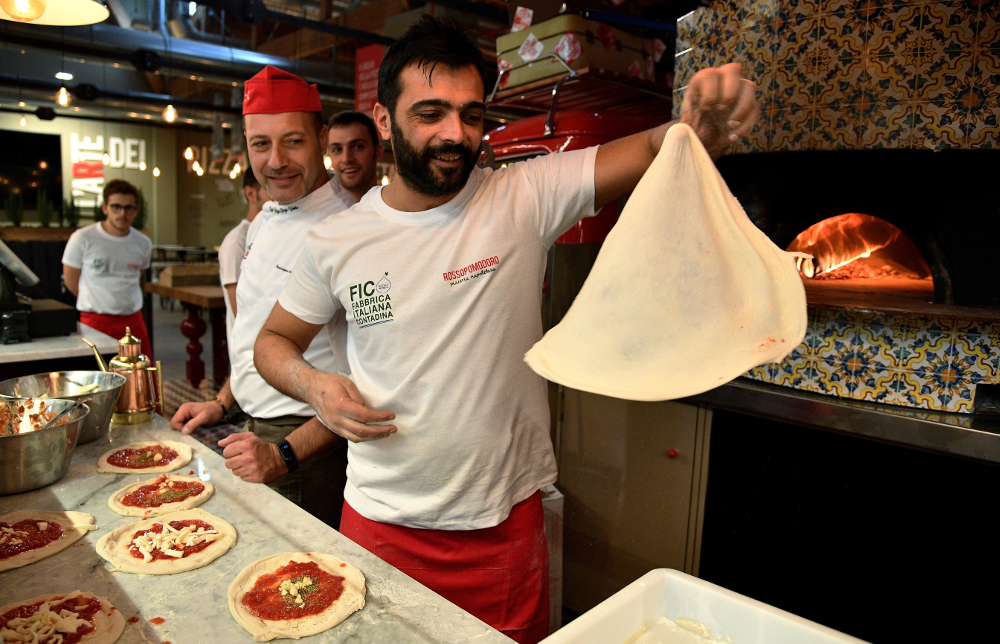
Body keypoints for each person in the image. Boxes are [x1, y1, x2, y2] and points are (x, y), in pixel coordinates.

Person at [253, 17, 758, 644]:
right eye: (431, 113)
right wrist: (315, 386)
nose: (454, 134)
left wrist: (699, 128)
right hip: (380, 523)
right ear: (383, 120)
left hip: (501, 530)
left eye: (470, 115)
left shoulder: (523, 195)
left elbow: (658, 148)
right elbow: (272, 344)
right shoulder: (334, 239)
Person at [170, 65, 352, 529]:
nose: (276, 161)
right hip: (253, 429)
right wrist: (224, 402)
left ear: (322, 139)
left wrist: (284, 453)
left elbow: (368, 382)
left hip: (307, 446)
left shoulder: (347, 230)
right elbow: (254, 329)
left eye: (293, 141)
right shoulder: (267, 218)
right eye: (260, 144)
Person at [62, 179, 153, 355]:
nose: (122, 213)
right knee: (98, 378)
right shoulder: (82, 238)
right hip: (94, 320)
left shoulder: (143, 243)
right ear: (105, 208)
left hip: (133, 320)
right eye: (116, 207)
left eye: (129, 208)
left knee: (142, 378)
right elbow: (70, 280)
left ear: (136, 211)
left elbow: (139, 275)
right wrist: (98, 301)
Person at [218, 169, 267, 339]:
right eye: (269, 186)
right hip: (251, 350)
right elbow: (240, 308)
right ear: (251, 194)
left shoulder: (274, 233)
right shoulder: (236, 240)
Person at [326, 110, 383, 204]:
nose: (346, 159)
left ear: (378, 152)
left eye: (357, 147)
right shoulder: (321, 216)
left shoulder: (398, 211)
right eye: (337, 149)